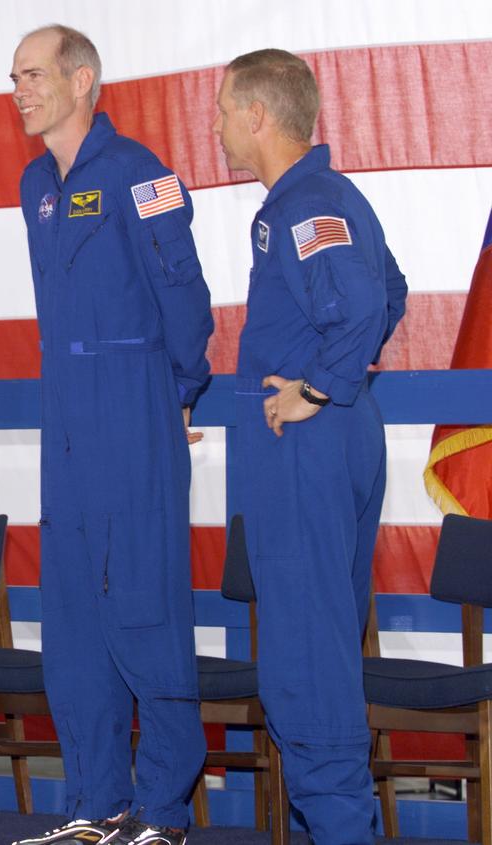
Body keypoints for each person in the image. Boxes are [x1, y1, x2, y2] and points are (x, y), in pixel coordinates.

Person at [9, 26, 214, 845]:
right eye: (15, 77)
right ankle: (96, 804)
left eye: (33, 74)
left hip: (133, 410)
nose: (20, 90)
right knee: (73, 620)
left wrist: (174, 395)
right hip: (65, 416)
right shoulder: (35, 184)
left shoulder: (141, 173)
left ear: (82, 79)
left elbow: (185, 297)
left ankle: (163, 808)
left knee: (143, 606)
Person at [213, 49, 407, 843]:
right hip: (336, 437)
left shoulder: (304, 205)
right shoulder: (331, 198)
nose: (217, 125)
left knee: (305, 661)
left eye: (224, 108)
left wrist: (318, 387)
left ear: (258, 116)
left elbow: (362, 303)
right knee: (322, 647)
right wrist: (333, 385)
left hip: (308, 447)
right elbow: (390, 290)